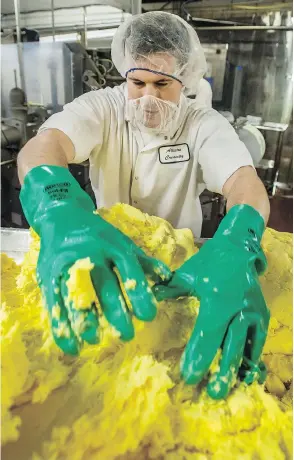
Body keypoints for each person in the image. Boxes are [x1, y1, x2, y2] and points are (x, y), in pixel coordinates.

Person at [17, 11, 270, 400]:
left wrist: (240, 240)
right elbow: (43, 147)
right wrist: (58, 207)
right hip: (104, 256)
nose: (147, 96)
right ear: (124, 75)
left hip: (184, 271)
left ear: (184, 81)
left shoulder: (203, 123)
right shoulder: (103, 107)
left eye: (162, 83)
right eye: (137, 82)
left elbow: (244, 182)